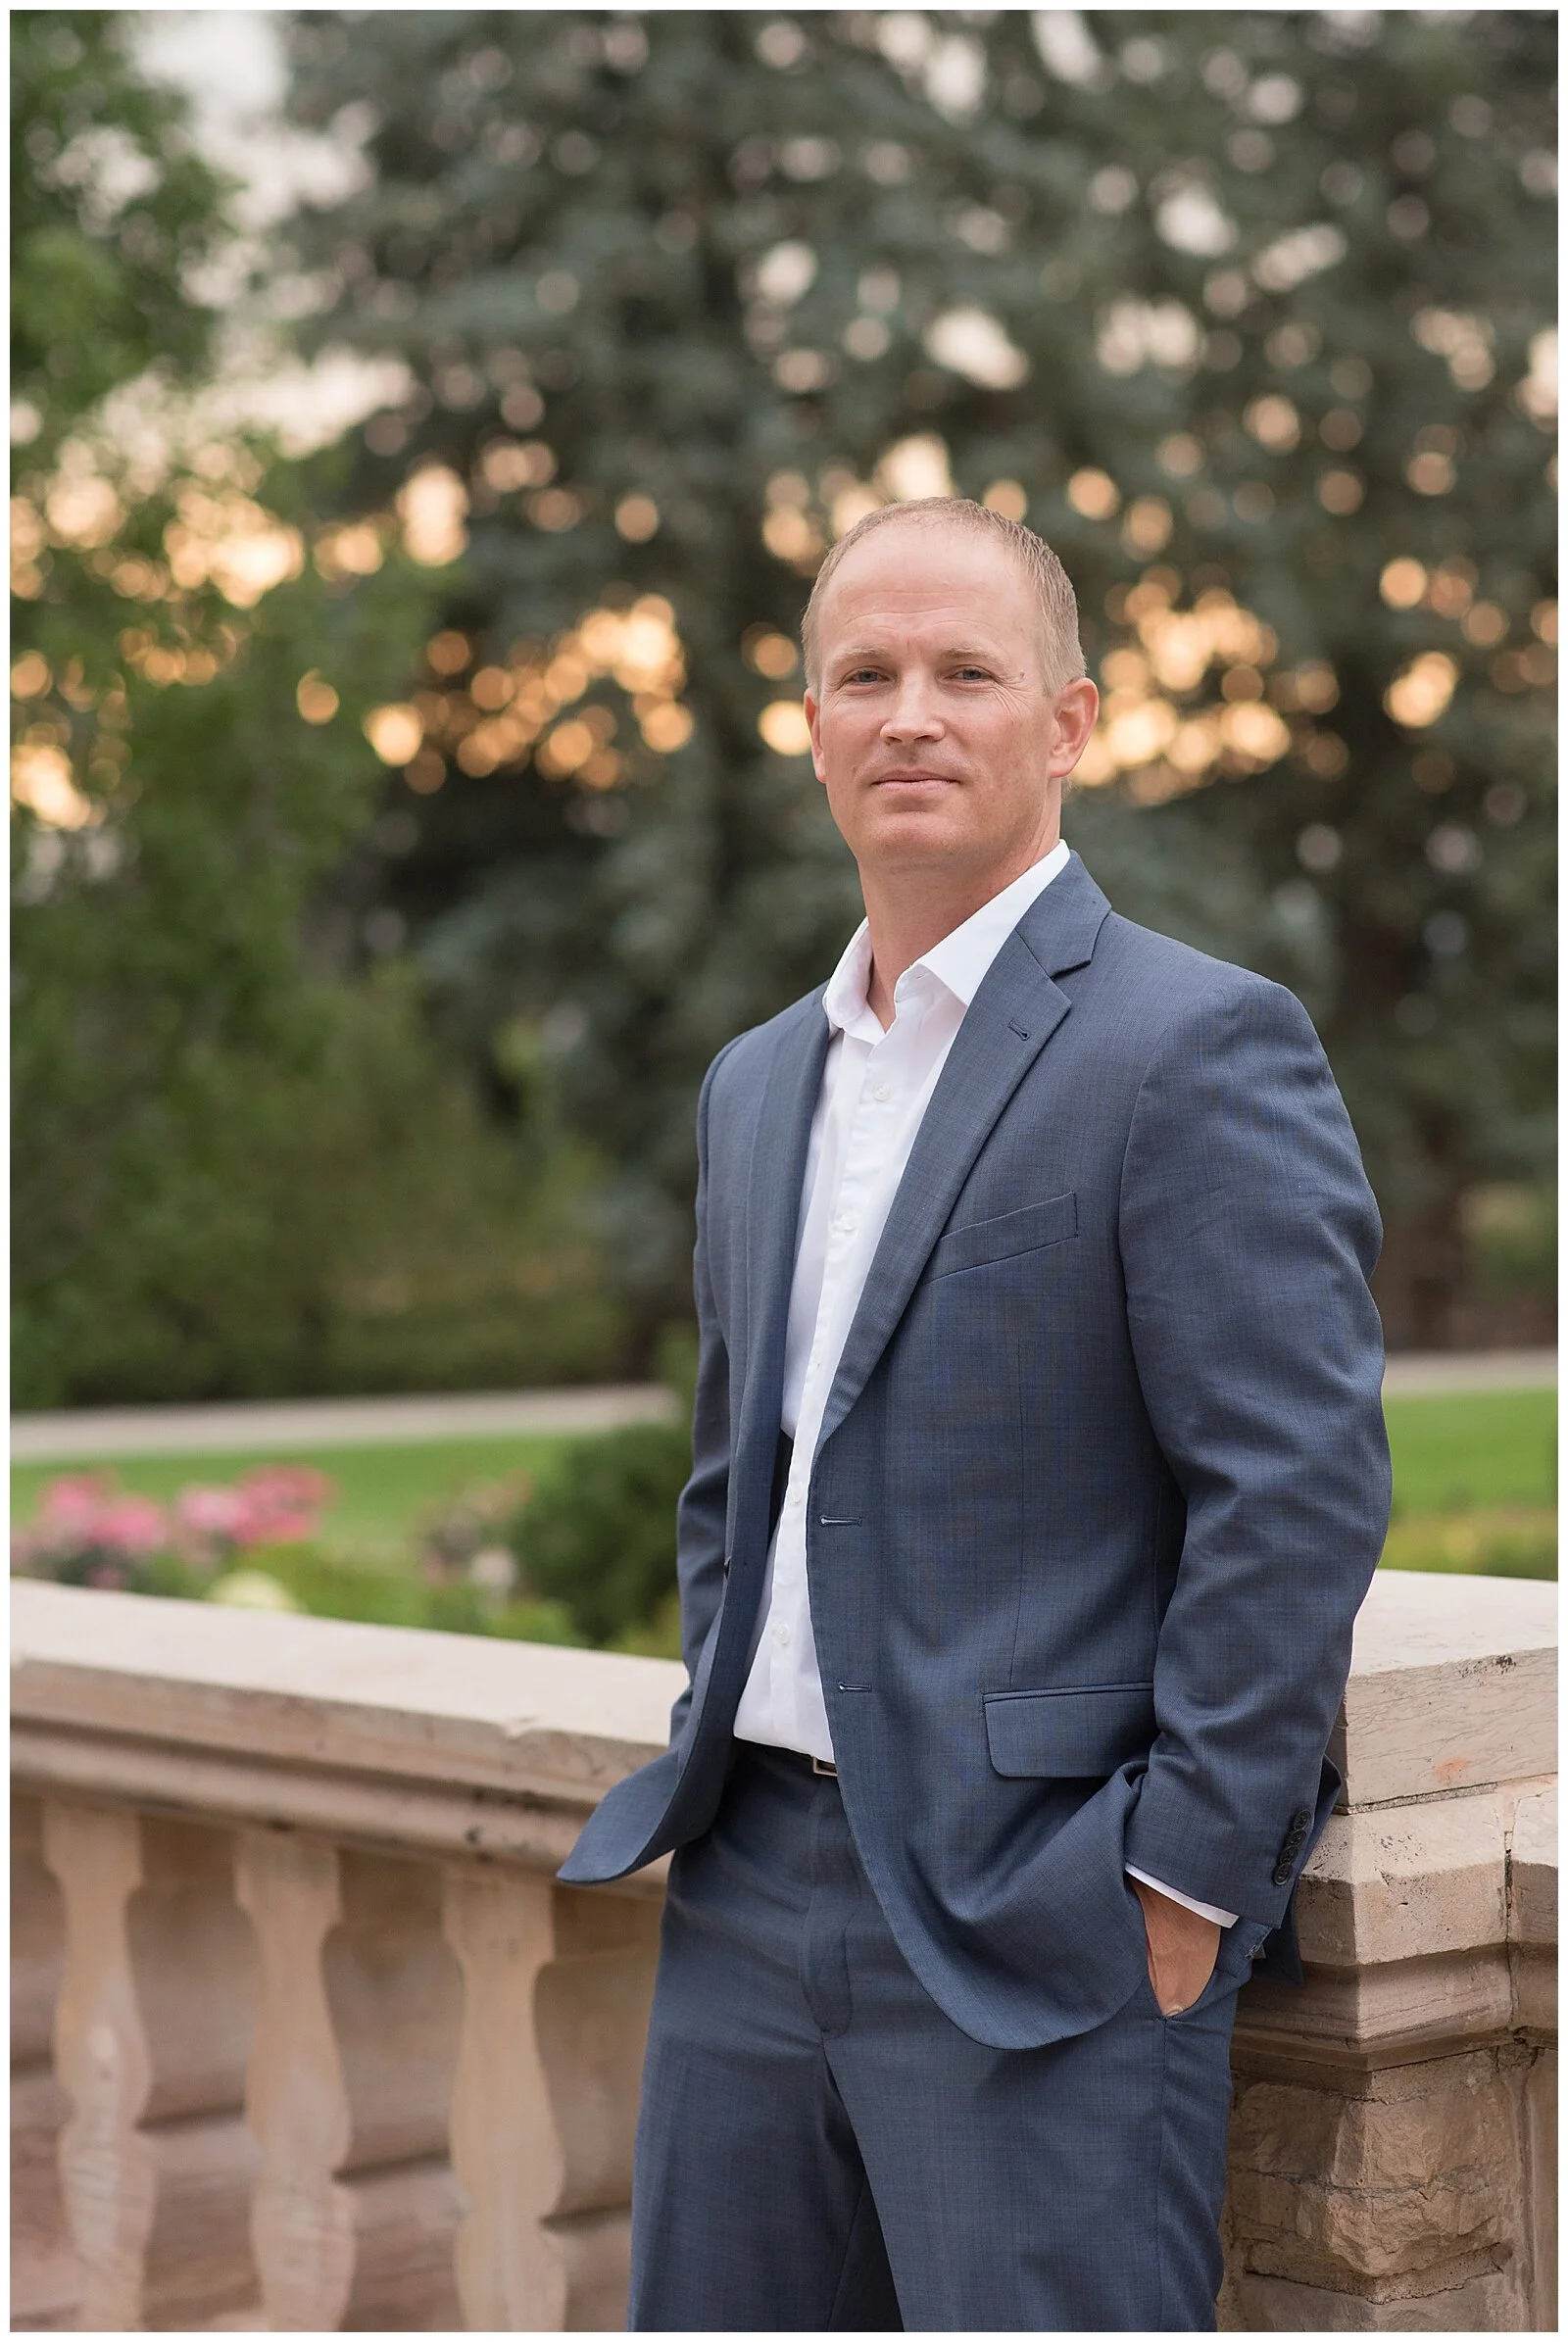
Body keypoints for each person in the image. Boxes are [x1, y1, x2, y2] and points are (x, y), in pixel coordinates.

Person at [560, 498, 1391, 2332]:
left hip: (1044, 1931)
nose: (909, 715)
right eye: (865, 676)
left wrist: (1176, 1881)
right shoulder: (755, 1083)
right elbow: (739, 1474)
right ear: (813, 730)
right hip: (745, 1892)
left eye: (964, 672)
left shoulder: (1195, 1042)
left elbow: (1297, 1491)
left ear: (1071, 723)